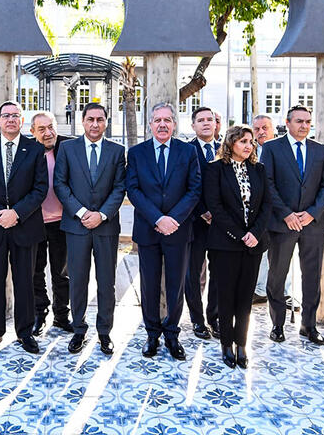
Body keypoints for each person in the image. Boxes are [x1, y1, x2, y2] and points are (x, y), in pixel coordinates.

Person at [0, 101, 48, 355]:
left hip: (25, 226)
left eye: (16, 115)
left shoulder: (35, 150)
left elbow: (40, 188)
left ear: (22, 121)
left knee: (25, 282)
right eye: (7, 115)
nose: (11, 119)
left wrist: (16, 213)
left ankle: (25, 333)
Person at [126, 102, 201, 361]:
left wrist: (173, 219)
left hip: (178, 231)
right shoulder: (137, 153)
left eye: (167, 120)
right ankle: (152, 334)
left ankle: (171, 333)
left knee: (175, 285)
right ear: (150, 124)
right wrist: (158, 218)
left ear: (174, 124)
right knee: (148, 285)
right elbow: (133, 190)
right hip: (148, 230)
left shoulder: (187, 152)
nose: (162, 124)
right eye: (157, 120)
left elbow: (194, 189)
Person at [54, 102, 126, 355]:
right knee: (77, 280)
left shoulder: (117, 151)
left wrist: (102, 215)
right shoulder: (67, 148)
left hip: (106, 227)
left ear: (106, 122)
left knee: (106, 282)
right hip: (77, 226)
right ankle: (79, 330)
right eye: (90, 119)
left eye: (100, 119)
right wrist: (84, 213)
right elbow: (60, 185)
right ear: (82, 122)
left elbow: (120, 187)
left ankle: (105, 332)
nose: (95, 124)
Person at [261, 105, 324, 346]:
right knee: (277, 275)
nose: (304, 125)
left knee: (311, 276)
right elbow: (267, 183)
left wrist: (312, 214)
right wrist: (286, 214)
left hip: (313, 225)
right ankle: (277, 324)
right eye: (299, 121)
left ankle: (309, 326)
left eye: (307, 121)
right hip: (282, 225)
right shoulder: (272, 149)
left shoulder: (320, 150)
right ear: (288, 122)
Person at [203, 124, 270, 369]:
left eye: (250, 142)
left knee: (245, 299)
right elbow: (215, 206)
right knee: (226, 296)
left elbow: (266, 206)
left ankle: (242, 344)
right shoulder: (215, 169)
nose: (248, 146)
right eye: (243, 141)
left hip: (253, 245)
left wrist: (254, 234)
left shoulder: (259, 169)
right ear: (231, 143)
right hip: (224, 244)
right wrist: (239, 234)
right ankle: (226, 345)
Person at [29, 111, 72, 336]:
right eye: (42, 129)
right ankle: (39, 314)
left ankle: (62, 315)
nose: (48, 133)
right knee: (36, 271)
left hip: (61, 222)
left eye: (51, 127)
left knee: (62, 272)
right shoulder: (26, 151)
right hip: (34, 222)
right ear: (32, 132)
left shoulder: (67, 146)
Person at [185, 106, 220, 340]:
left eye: (210, 119)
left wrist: (217, 214)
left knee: (219, 273)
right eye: (201, 120)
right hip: (195, 222)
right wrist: (202, 212)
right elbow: (185, 185)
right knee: (193, 273)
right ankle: (197, 320)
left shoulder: (226, 149)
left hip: (221, 224)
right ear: (193, 125)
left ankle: (215, 318)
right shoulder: (186, 151)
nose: (206, 123)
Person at [251, 114, 275, 305]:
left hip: (279, 210)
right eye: (257, 129)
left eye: (265, 128)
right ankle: (259, 289)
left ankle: (284, 292)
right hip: (257, 212)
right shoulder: (250, 151)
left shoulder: (279, 150)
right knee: (261, 252)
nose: (261, 132)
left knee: (281, 252)